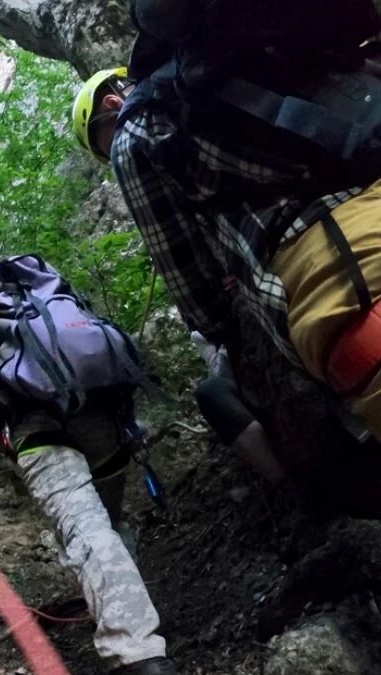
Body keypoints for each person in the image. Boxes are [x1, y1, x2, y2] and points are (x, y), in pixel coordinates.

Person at [71, 64, 381, 441]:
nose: (111, 147)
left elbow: (192, 285)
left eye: (104, 140)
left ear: (111, 101)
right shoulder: (217, 70)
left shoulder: (133, 131)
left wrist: (223, 323)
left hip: (335, 270)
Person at [0, 329, 179, 675]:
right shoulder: (65, 316)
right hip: (107, 423)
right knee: (106, 526)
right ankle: (137, 620)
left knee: (85, 530)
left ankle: (140, 661)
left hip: (40, 430)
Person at [190, 331, 287, 485]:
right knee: (209, 391)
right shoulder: (201, 335)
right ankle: (287, 482)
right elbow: (222, 373)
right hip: (259, 393)